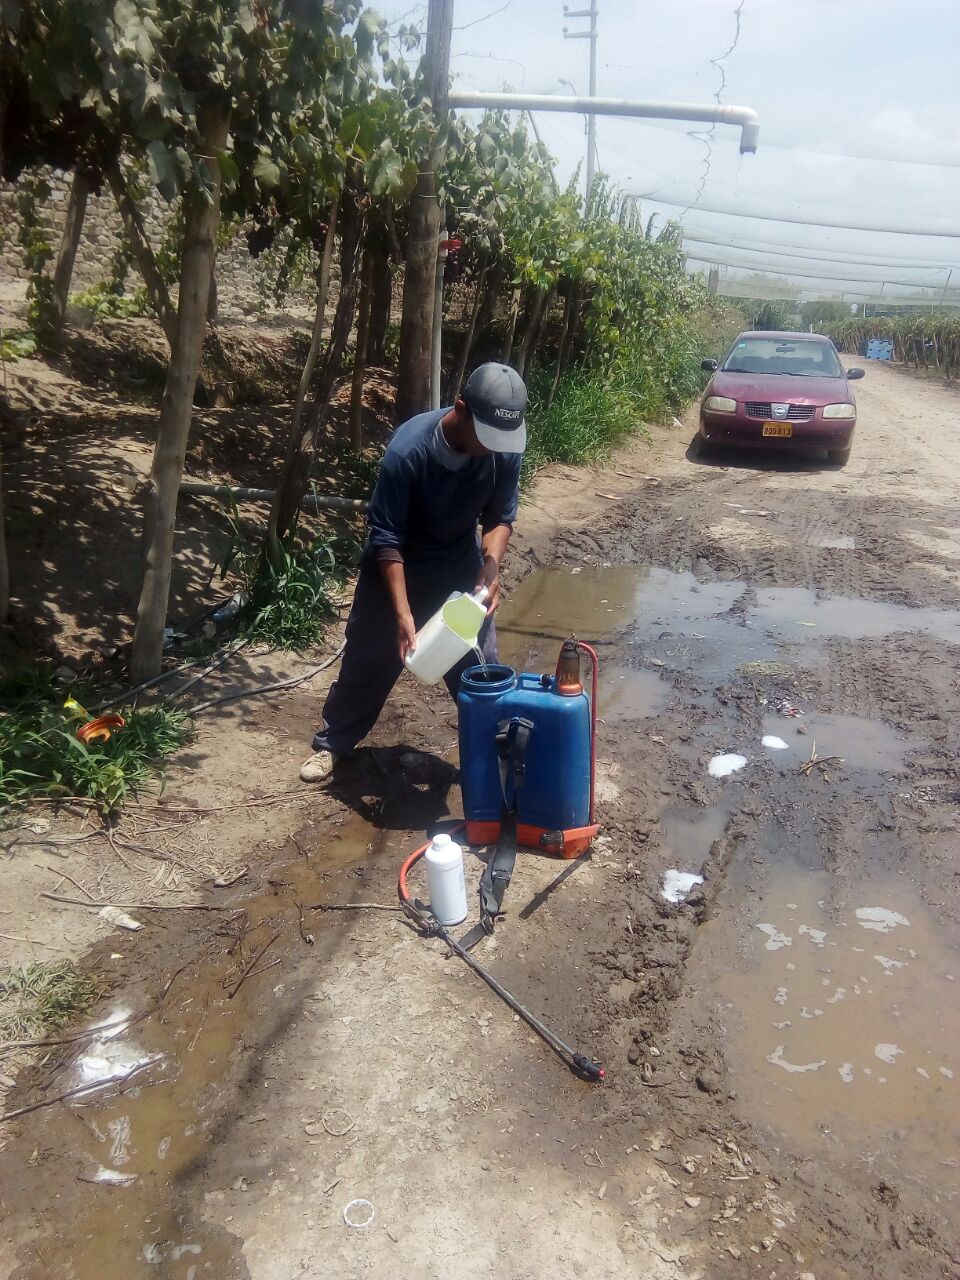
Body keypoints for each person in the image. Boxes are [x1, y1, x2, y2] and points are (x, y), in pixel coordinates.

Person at [300, 362, 527, 783]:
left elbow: (500, 518)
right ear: (460, 409)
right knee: (370, 657)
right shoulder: (409, 451)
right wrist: (404, 614)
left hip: (456, 563)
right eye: (487, 437)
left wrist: (490, 568)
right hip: (395, 564)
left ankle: (495, 752)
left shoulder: (505, 449)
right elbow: (386, 537)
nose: (494, 448)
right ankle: (333, 744)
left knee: (479, 664)